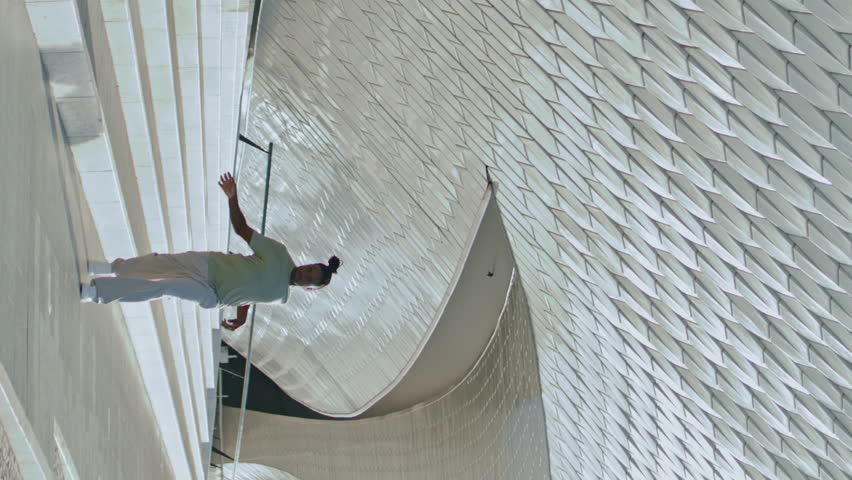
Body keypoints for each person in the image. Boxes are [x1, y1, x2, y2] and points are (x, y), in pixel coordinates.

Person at [80, 172, 341, 331]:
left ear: (309, 288)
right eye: (309, 270)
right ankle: (113, 268)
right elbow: (241, 229)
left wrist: (241, 317)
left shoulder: (281, 296)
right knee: (158, 264)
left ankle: (98, 292)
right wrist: (232, 197)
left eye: (309, 279)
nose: (304, 275)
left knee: (164, 287)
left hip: (212, 295)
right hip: (207, 265)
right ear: (308, 264)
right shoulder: (280, 254)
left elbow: (251, 294)